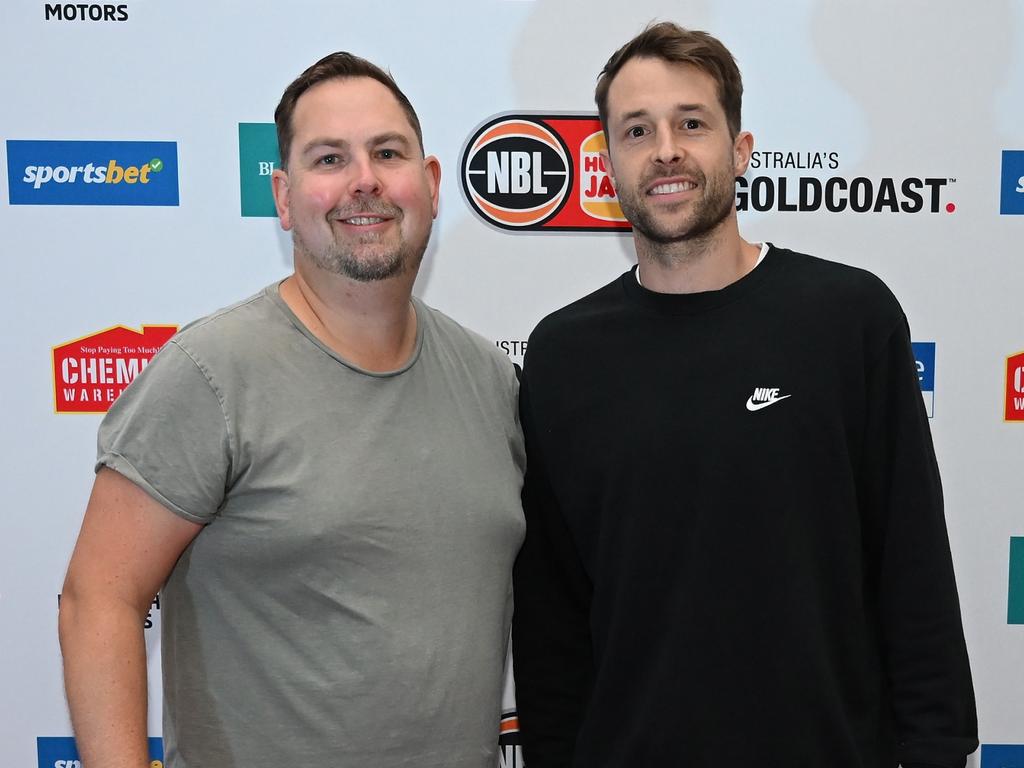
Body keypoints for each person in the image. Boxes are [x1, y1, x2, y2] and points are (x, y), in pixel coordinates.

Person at [511, 22, 977, 768]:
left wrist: (937, 750)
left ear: (740, 149)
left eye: (691, 123)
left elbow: (911, 565)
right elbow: (553, 622)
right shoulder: (565, 354)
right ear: (609, 168)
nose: (666, 149)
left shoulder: (848, 317)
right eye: (637, 131)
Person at [58, 52, 525, 768]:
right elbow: (98, 602)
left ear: (430, 185)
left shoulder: (493, 382)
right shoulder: (210, 374)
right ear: (283, 197)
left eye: (387, 152)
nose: (363, 180)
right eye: (329, 158)